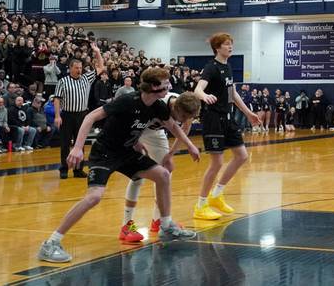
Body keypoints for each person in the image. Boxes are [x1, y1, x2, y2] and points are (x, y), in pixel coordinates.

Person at [37, 67, 199, 263]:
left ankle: (166, 225)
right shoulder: (127, 101)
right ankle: (51, 243)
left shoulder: (158, 106)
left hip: (127, 152)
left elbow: (172, 126)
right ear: (154, 87)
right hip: (105, 153)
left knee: (163, 175)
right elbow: (90, 117)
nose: (169, 87)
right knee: (94, 197)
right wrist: (78, 147)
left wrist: (189, 145)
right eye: (165, 85)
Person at [193, 33, 260, 221]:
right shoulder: (211, 68)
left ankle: (216, 195)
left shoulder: (228, 67)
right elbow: (198, 89)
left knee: (242, 156)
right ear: (217, 48)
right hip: (213, 118)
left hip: (228, 117)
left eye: (231, 44)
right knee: (217, 163)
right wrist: (204, 96)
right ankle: (200, 205)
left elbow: (233, 93)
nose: (230, 47)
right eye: (227, 44)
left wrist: (248, 113)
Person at [121, 92, 200, 241]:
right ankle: (126, 225)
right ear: (175, 108)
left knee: (165, 174)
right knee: (137, 177)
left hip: (156, 133)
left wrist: (171, 154)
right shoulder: (157, 101)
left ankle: (159, 220)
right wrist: (134, 142)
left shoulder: (186, 107)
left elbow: (183, 130)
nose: (183, 120)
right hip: (137, 132)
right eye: (182, 117)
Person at [53, 43, 105, 179]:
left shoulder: (86, 78)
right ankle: (64, 168)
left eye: (80, 68)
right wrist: (57, 116)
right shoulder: (63, 81)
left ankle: (78, 169)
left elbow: (100, 67)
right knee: (65, 144)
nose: (79, 70)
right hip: (67, 115)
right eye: (76, 68)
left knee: (79, 143)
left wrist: (97, 52)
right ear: (70, 68)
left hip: (82, 115)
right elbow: (57, 99)